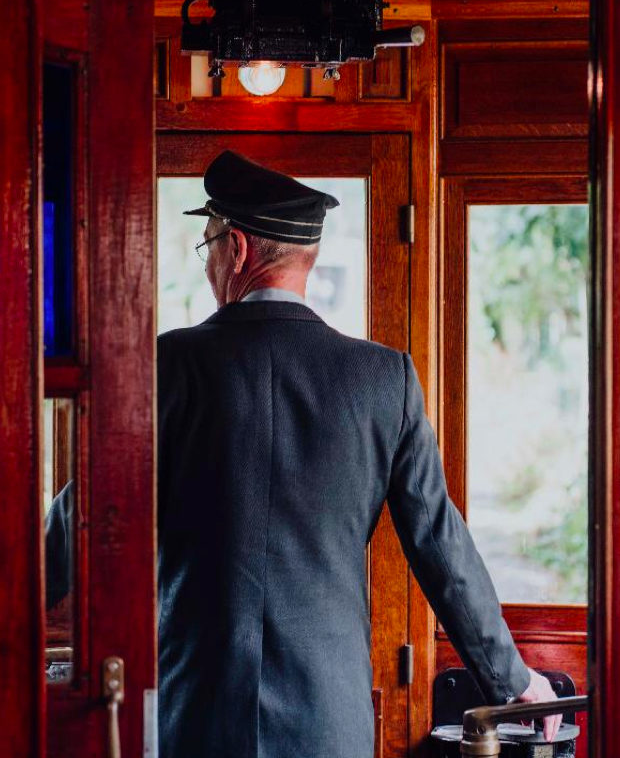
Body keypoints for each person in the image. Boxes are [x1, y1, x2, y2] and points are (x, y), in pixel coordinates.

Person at [155, 148, 562, 758]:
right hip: (328, 719)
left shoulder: (166, 365)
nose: (207, 261)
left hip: (201, 714)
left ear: (236, 249)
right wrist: (511, 678)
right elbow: (438, 542)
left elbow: (82, 513)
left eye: (208, 243)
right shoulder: (383, 379)